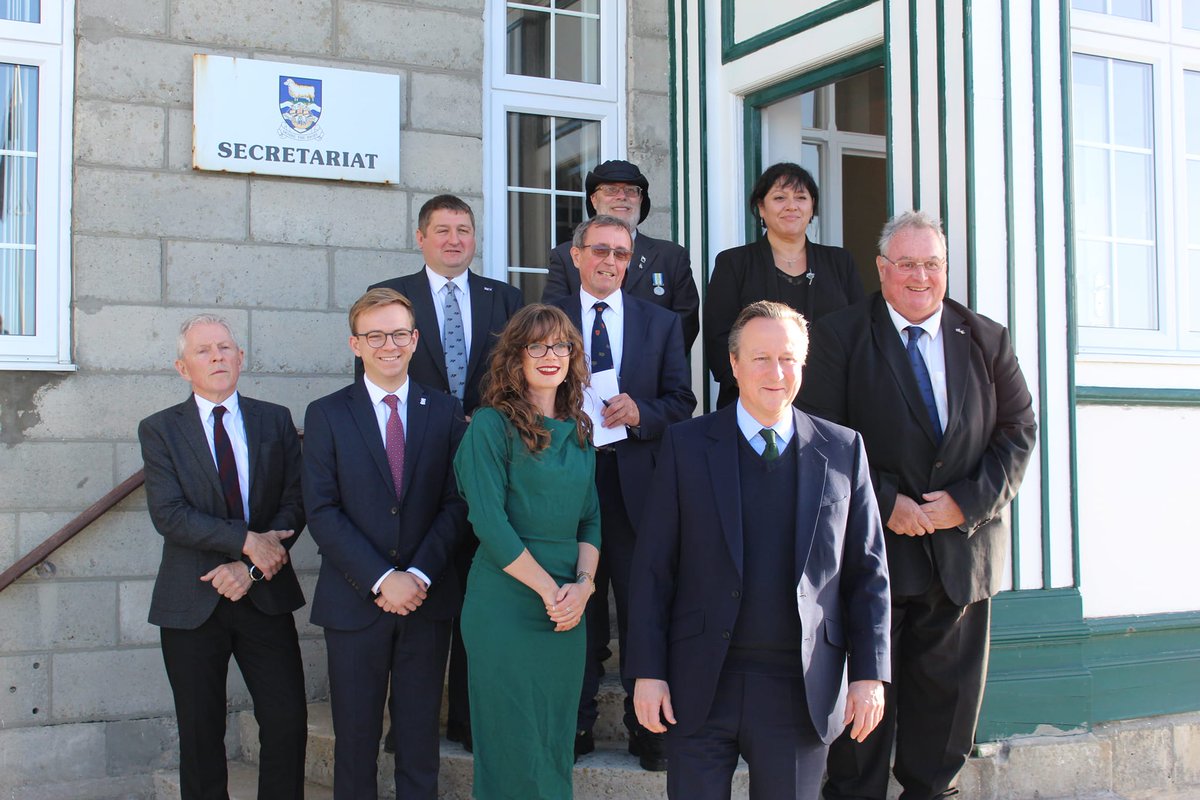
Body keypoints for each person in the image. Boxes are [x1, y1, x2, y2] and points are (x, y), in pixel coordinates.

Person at [796, 211, 1037, 800]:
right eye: (907, 263)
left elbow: (1018, 431)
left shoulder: (985, 337)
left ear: (946, 269)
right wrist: (886, 502)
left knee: (945, 721)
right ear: (882, 269)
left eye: (932, 264)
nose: (920, 276)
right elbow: (817, 439)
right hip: (872, 560)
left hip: (962, 558)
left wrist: (965, 504)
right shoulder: (838, 336)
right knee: (861, 724)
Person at [626, 300, 892, 800]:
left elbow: (868, 572)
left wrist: (870, 674)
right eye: (761, 358)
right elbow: (653, 569)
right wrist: (647, 672)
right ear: (734, 364)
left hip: (800, 688)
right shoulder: (686, 446)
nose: (777, 372)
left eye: (788, 358)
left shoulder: (843, 449)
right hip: (699, 684)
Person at [366, 194, 523, 751]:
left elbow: (519, 377)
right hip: (413, 460)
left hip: (486, 460)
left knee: (475, 589)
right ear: (420, 237)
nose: (454, 239)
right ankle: (404, 723)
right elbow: (372, 377)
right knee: (412, 580)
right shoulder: (393, 298)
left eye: (463, 229)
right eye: (442, 230)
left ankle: (467, 719)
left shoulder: (505, 299)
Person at [303, 288, 469, 799]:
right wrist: (381, 579)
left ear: (415, 340)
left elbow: (457, 504)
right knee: (355, 739)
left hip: (426, 597)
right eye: (375, 335)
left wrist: (416, 577)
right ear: (356, 344)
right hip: (354, 600)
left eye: (399, 333)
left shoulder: (445, 412)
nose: (388, 344)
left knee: (419, 737)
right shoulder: (327, 414)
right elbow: (322, 510)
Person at [548, 215, 696, 769]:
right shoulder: (549, 318)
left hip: (637, 484)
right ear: (577, 255)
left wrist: (643, 412)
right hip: (568, 483)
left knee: (642, 605)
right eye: (599, 251)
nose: (610, 261)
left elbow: (682, 402)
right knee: (573, 604)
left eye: (620, 253)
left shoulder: (659, 324)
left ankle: (648, 727)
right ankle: (575, 724)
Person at [139, 314, 307, 800]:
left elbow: (294, 504)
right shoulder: (160, 430)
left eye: (225, 348)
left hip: (265, 595)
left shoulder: (274, 419)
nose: (217, 356)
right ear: (182, 367)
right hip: (191, 601)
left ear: (241, 358)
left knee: (286, 721)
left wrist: (250, 565)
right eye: (204, 351)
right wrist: (245, 540)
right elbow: (170, 515)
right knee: (200, 732)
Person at [453, 304, 602, 800]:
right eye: (535, 345)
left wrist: (582, 589)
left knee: (553, 741)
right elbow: (490, 525)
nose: (549, 355)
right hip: (507, 602)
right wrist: (550, 591)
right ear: (514, 358)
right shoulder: (490, 426)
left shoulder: (582, 429)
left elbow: (591, 520)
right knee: (511, 743)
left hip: (566, 610)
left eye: (560, 345)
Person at [704, 162, 865, 408]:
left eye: (801, 197)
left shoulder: (840, 262)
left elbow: (859, 331)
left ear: (812, 207)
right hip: (753, 401)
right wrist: (760, 387)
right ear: (761, 208)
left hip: (830, 404)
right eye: (779, 197)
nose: (791, 206)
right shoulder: (734, 263)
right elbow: (718, 339)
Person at [542, 159, 700, 353]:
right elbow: (553, 319)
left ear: (641, 199)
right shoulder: (565, 256)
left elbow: (685, 326)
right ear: (593, 199)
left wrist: (643, 366)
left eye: (631, 190)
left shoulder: (671, 256)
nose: (622, 196)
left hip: (650, 378)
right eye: (610, 190)